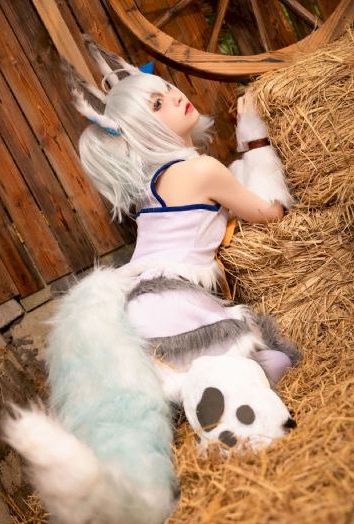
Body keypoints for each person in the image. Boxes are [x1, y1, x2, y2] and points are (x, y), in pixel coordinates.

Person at [72, 36, 299, 387]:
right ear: (144, 130)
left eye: (166, 87)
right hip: (171, 307)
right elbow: (270, 212)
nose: (176, 95)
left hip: (139, 305)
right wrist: (255, 136)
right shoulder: (201, 170)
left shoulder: (155, 182)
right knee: (273, 363)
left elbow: (228, 199)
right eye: (158, 104)